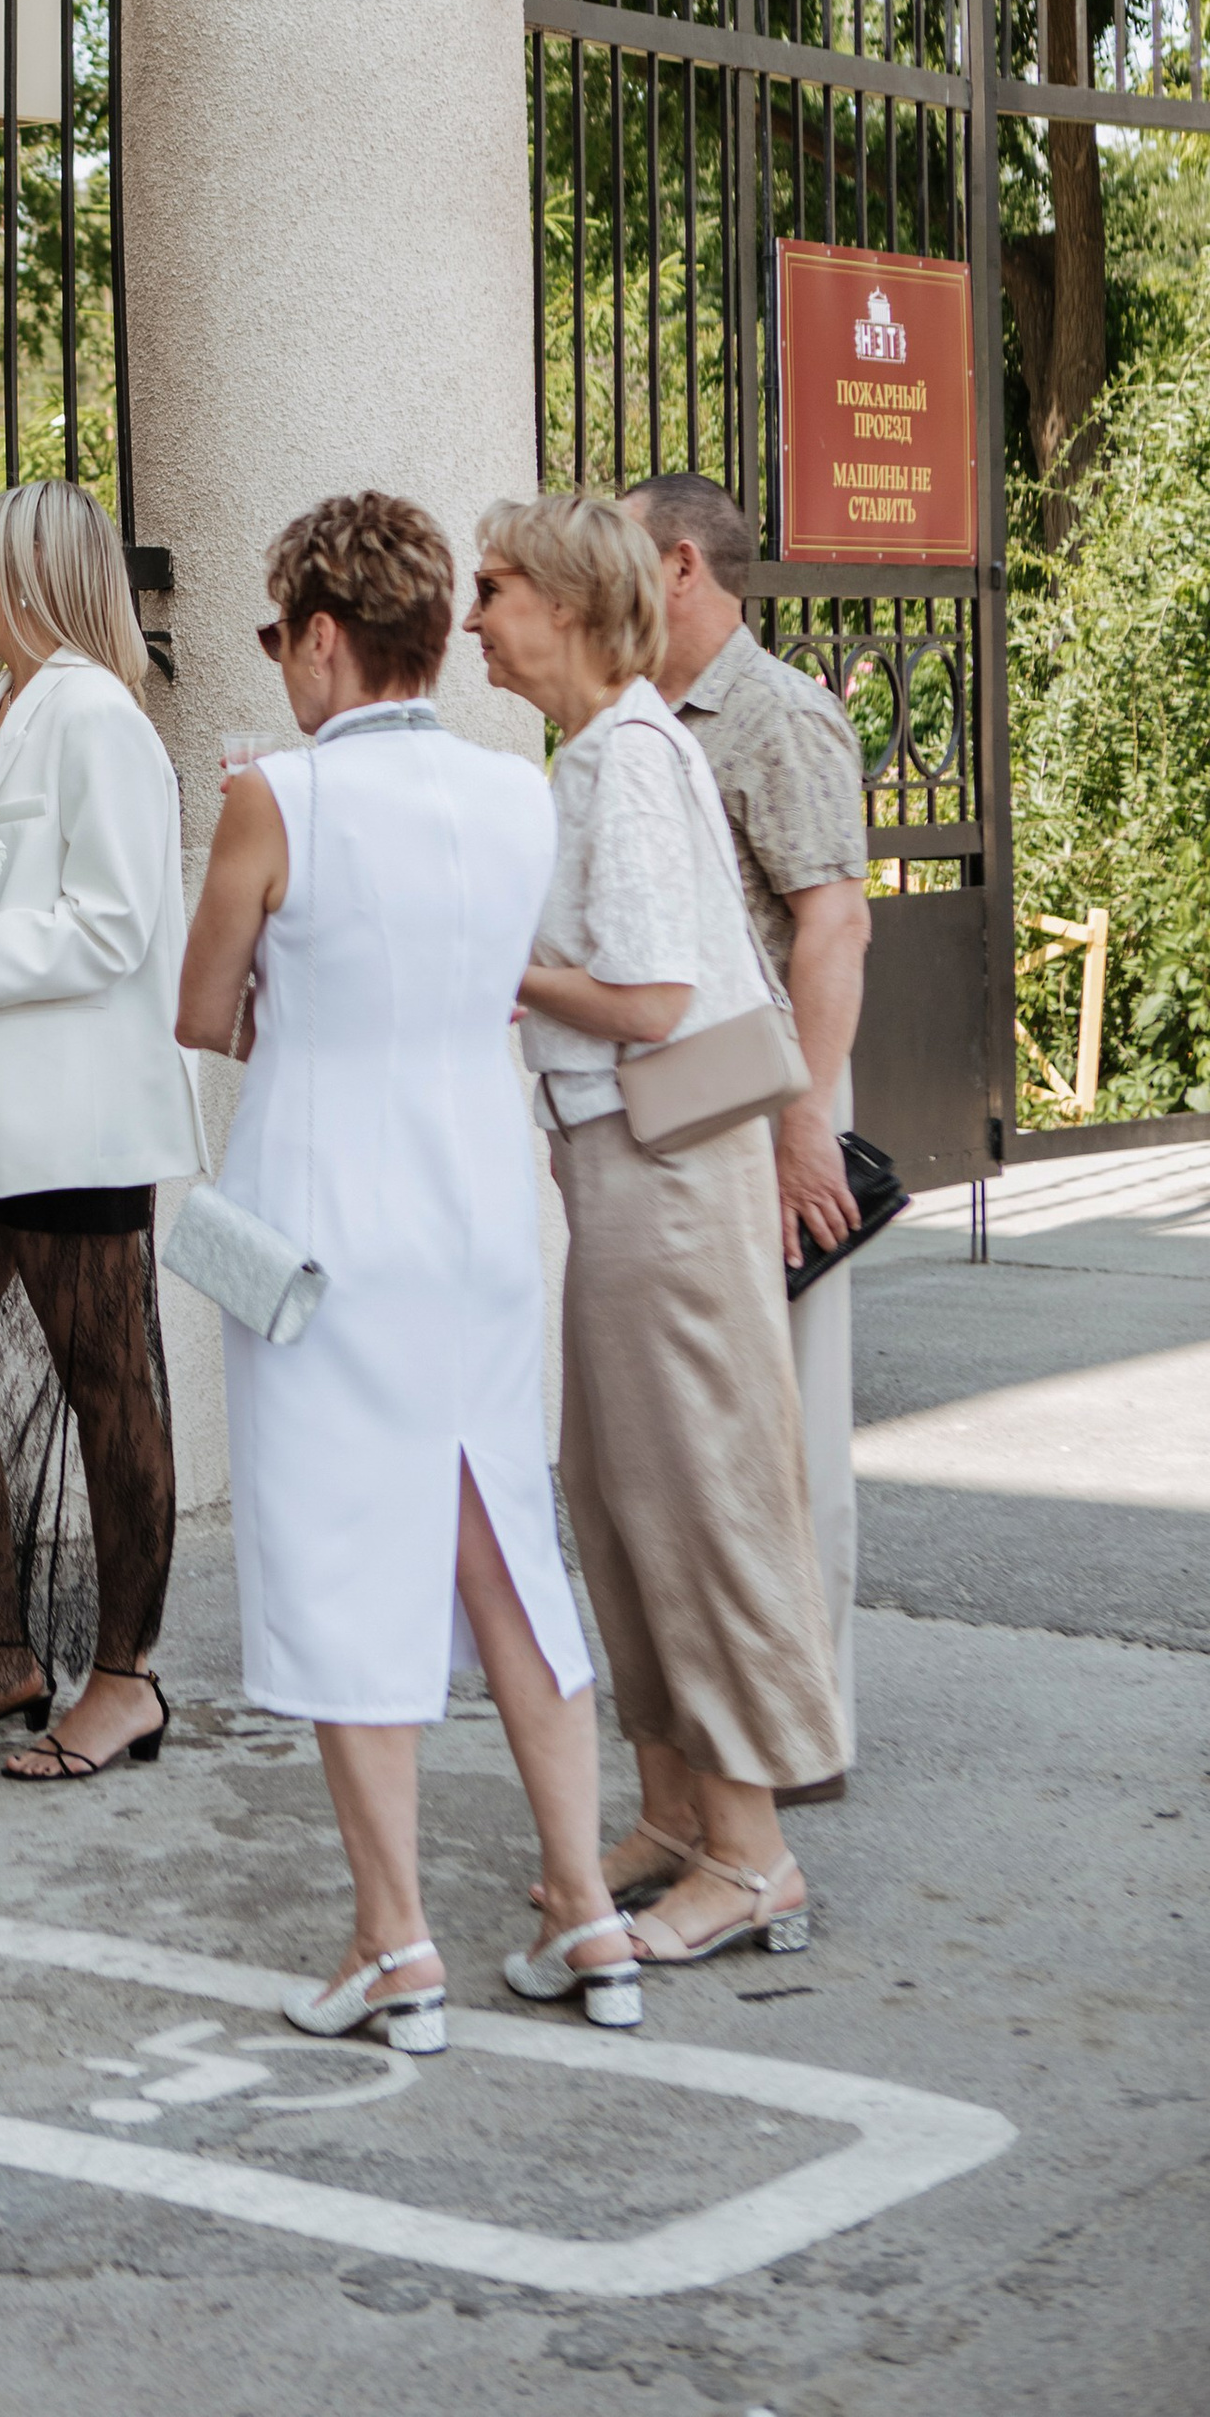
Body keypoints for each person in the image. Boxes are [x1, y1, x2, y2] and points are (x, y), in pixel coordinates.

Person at [177, 494, 640, 2044]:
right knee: (506, 1541)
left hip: (325, 1219)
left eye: (278, 636)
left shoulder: (279, 796)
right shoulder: (524, 795)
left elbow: (201, 1005)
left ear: (319, 634)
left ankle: (395, 1939)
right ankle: (584, 1909)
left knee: (338, 1555)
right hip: (483, 1214)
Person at [468, 492, 844, 1967]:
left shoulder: (622, 758)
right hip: (633, 1168)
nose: (474, 617)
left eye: (493, 586)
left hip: (664, 1169)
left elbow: (648, 1003)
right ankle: (680, 1815)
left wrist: (498, 959)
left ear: (564, 603)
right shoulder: (603, 751)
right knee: (622, 1494)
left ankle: (751, 1854)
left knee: (691, 1498)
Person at [0, 479, 202, 1783]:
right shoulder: (0, 708)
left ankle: (124, 1680)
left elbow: (113, 920)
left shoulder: (96, 713)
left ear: (31, 573)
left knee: (107, 1384)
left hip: (72, 1118)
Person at [624, 474, 870, 1799]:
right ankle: (744, 1715)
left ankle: (807, 1733)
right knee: (722, 1426)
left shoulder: (774, 715)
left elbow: (835, 924)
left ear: (677, 567)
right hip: (698, 1104)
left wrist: (806, 1122)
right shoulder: (653, 718)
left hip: (772, 1107)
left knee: (788, 1424)